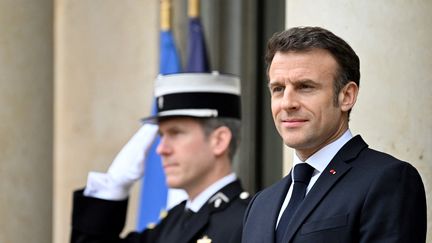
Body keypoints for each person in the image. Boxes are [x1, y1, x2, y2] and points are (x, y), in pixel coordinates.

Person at [241, 26, 427, 243]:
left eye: (305, 87)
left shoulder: (388, 180)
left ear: (347, 96)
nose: (287, 103)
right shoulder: (260, 204)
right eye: (278, 89)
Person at [71, 72, 250, 243]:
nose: (161, 149)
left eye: (175, 133)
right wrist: (113, 187)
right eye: (161, 135)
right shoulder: (173, 222)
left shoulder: (249, 221)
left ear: (219, 140)